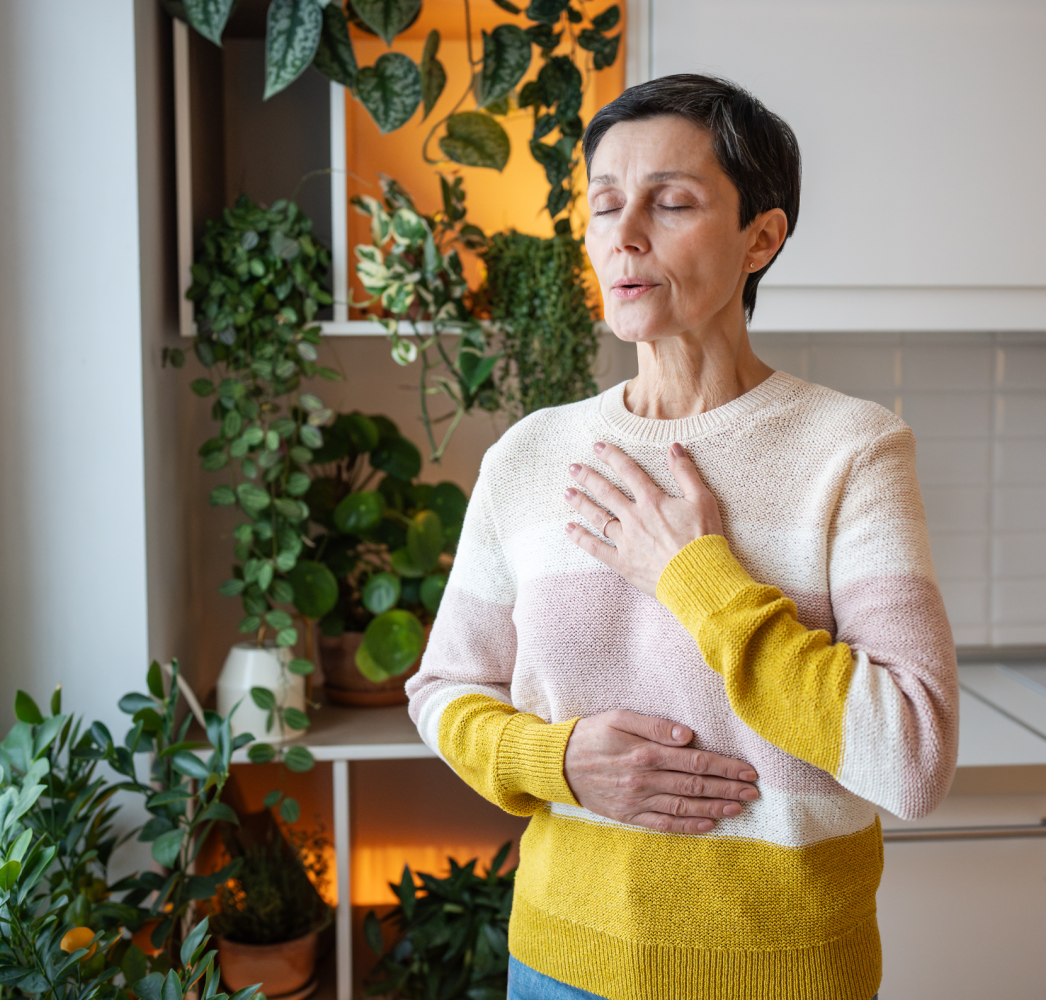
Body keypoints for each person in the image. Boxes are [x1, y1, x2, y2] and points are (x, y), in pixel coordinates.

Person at [406, 73, 957, 1000]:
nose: (624, 236)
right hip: (559, 964)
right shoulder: (528, 456)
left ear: (761, 237)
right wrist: (560, 762)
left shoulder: (852, 450)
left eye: (671, 202)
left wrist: (695, 576)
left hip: (782, 974)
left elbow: (911, 756)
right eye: (606, 205)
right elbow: (445, 690)